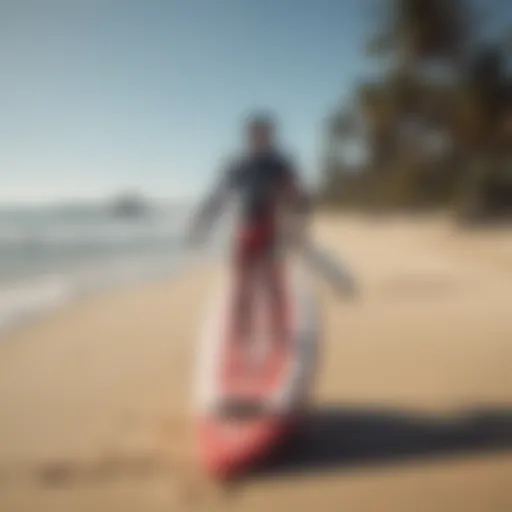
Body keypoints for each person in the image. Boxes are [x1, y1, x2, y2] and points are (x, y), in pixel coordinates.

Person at [188, 112, 310, 342]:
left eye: (264, 133)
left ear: (271, 136)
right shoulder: (239, 166)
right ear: (248, 136)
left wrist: (298, 223)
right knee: (242, 284)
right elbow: (218, 196)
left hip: (271, 229)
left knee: (272, 284)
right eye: (255, 133)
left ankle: (279, 332)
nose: (259, 138)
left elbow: (298, 196)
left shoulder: (279, 165)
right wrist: (202, 222)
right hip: (246, 229)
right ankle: (240, 334)